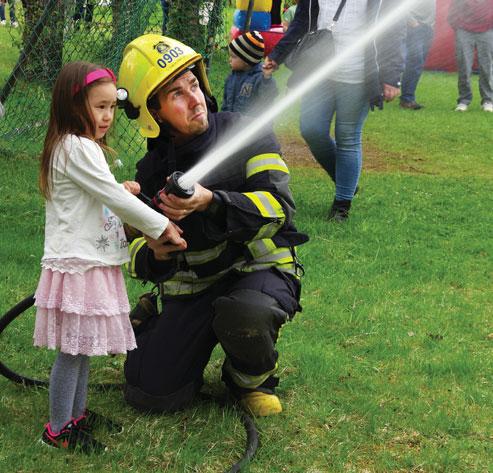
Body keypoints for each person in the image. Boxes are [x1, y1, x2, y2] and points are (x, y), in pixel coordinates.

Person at [117, 34, 308, 417]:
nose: (195, 99)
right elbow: (129, 252)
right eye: (176, 94)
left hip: (256, 270)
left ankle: (248, 379)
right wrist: (154, 252)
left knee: (246, 314)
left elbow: (279, 210)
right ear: (152, 114)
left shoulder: (246, 131)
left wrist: (212, 201)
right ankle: (150, 325)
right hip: (195, 288)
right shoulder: (149, 174)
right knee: (151, 393)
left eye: (193, 84)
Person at [34, 61, 186, 452]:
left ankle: (75, 415)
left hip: (90, 260)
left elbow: (98, 193)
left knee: (82, 346)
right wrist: (160, 226)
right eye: (98, 107)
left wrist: (117, 187)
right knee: (73, 351)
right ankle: (57, 429)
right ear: (72, 105)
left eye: (111, 107)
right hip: (79, 264)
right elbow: (111, 198)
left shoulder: (74, 147)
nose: (106, 116)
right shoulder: (77, 146)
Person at [264, 0, 405, 221]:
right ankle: (345, 181)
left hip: (358, 74)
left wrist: (392, 76)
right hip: (319, 71)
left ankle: (342, 204)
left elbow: (393, 29)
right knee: (311, 129)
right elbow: (301, 22)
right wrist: (277, 55)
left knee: (347, 136)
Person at [448, 0, 493, 112]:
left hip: (487, 31)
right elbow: (452, 11)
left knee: (486, 67)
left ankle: (488, 100)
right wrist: (458, 27)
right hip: (464, 31)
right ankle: (463, 100)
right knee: (464, 66)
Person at [221, 30, 278, 116]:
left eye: (233, 57)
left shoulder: (259, 78)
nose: (230, 60)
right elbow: (225, 105)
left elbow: (268, 96)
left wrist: (267, 78)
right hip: (232, 125)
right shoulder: (231, 78)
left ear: (246, 60)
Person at [399, 0, 436, 110]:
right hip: (415, 27)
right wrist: (412, 21)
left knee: (417, 64)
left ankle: (407, 97)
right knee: (415, 61)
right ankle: (407, 99)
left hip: (427, 28)